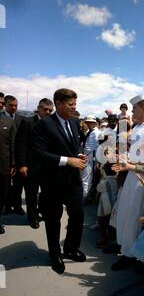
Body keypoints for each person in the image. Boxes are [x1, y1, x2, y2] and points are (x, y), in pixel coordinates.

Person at [32, 88, 87, 274]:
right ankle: (54, 254)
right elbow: (38, 152)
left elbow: (74, 145)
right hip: (52, 182)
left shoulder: (74, 122)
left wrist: (77, 155)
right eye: (71, 104)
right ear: (59, 104)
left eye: (75, 104)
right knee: (53, 219)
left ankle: (70, 248)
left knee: (78, 214)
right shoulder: (44, 124)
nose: (74, 107)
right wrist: (67, 160)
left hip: (73, 181)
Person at [111, 94, 144, 270]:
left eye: (135, 108)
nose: (132, 112)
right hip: (131, 173)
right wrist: (124, 158)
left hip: (141, 177)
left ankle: (130, 254)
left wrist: (130, 164)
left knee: (133, 215)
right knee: (124, 211)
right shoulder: (139, 127)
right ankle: (122, 244)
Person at [15, 98, 54, 229]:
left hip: (47, 166)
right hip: (31, 165)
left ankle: (39, 212)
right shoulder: (28, 122)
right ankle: (32, 217)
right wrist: (22, 164)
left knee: (45, 193)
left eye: (50, 110)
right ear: (39, 108)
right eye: (45, 109)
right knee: (31, 193)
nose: (48, 112)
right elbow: (21, 144)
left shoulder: (52, 124)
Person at [4, 95, 26, 216]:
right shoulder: (1, 119)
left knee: (18, 185)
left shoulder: (22, 119)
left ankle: (17, 206)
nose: (14, 108)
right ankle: (7, 206)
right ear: (5, 105)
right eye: (11, 105)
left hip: (19, 159)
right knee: (5, 186)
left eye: (16, 105)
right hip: (5, 159)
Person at [0, 107, 16, 234]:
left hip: (3, 167)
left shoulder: (9, 121)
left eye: (2, 103)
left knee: (2, 195)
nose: (0, 105)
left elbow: (13, 145)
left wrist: (13, 164)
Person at [81, 115, 100, 200]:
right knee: (85, 177)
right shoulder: (89, 131)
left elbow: (99, 146)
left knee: (87, 177)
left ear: (94, 123)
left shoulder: (97, 133)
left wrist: (96, 159)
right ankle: (85, 196)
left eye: (91, 123)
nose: (89, 124)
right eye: (88, 123)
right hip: (86, 155)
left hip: (91, 156)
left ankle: (84, 197)